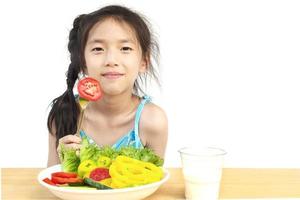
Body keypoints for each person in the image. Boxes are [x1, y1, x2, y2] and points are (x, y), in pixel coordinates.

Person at [47, 5, 168, 167]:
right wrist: (64, 161)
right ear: (83, 62)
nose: (111, 60)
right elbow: (52, 181)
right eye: (98, 49)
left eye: (125, 48)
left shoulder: (152, 121)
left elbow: (153, 180)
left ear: (143, 62)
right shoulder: (64, 114)